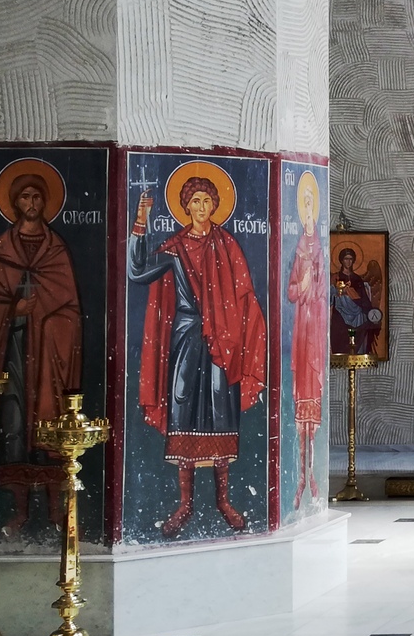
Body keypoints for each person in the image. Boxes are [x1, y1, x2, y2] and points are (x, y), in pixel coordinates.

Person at [131, 174, 268, 538]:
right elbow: (136, 271)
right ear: (186, 206)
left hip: (221, 344)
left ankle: (223, 500)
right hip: (186, 340)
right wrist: (140, 222)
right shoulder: (174, 249)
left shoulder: (227, 245)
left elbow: (245, 297)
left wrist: (244, 334)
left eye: (207, 201)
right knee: (183, 409)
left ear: (215, 205)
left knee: (220, 413)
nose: (201, 208)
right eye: (195, 201)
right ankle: (185, 503)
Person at [0, 171, 82, 534]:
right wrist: (11, 312)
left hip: (49, 358)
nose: (32, 204)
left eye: (38, 198)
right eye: (25, 198)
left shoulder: (56, 250)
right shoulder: (0, 250)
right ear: (15, 203)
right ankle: (20, 512)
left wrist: (52, 324)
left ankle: (54, 510)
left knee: (49, 428)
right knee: (15, 426)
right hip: (14, 351)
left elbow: (70, 307)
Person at [284, 176, 326, 511]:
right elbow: (291, 291)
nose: (309, 211)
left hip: (316, 331)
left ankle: (311, 476)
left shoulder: (321, 250)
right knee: (301, 408)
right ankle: (301, 476)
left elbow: (327, 294)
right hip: (302, 330)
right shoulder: (298, 251)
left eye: (313, 204)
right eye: (305, 205)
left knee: (314, 407)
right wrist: (304, 283)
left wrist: (316, 287)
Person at [331, 246, 382, 357]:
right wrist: (340, 291)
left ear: (353, 260)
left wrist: (371, 314)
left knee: (358, 344)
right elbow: (330, 297)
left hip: (357, 314)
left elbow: (364, 299)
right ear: (341, 260)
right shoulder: (335, 277)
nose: (348, 262)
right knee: (340, 341)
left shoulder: (357, 279)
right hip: (340, 314)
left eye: (350, 259)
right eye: (346, 259)